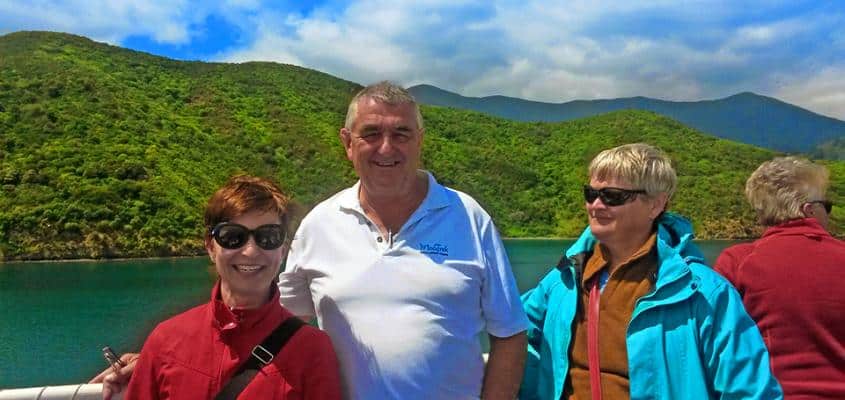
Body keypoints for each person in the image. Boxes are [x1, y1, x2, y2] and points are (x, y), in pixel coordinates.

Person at [277, 81, 529, 399]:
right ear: (347, 142)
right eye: (371, 134)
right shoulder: (319, 225)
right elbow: (282, 330)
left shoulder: (468, 217)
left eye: (401, 134)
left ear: (420, 141)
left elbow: (509, 334)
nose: (386, 148)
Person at [520, 143, 783, 399]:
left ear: (656, 205)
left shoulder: (703, 294)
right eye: (591, 194)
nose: (596, 205)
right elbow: (514, 330)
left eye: (612, 196)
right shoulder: (564, 280)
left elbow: (750, 390)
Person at [116, 175, 341, 399]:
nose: (251, 251)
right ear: (210, 246)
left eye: (268, 237)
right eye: (233, 236)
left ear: (283, 250)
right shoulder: (165, 342)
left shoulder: (311, 350)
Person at [714, 156, 845, 399]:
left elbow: (716, 348)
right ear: (809, 210)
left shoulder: (737, 262)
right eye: (826, 206)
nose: (828, 213)